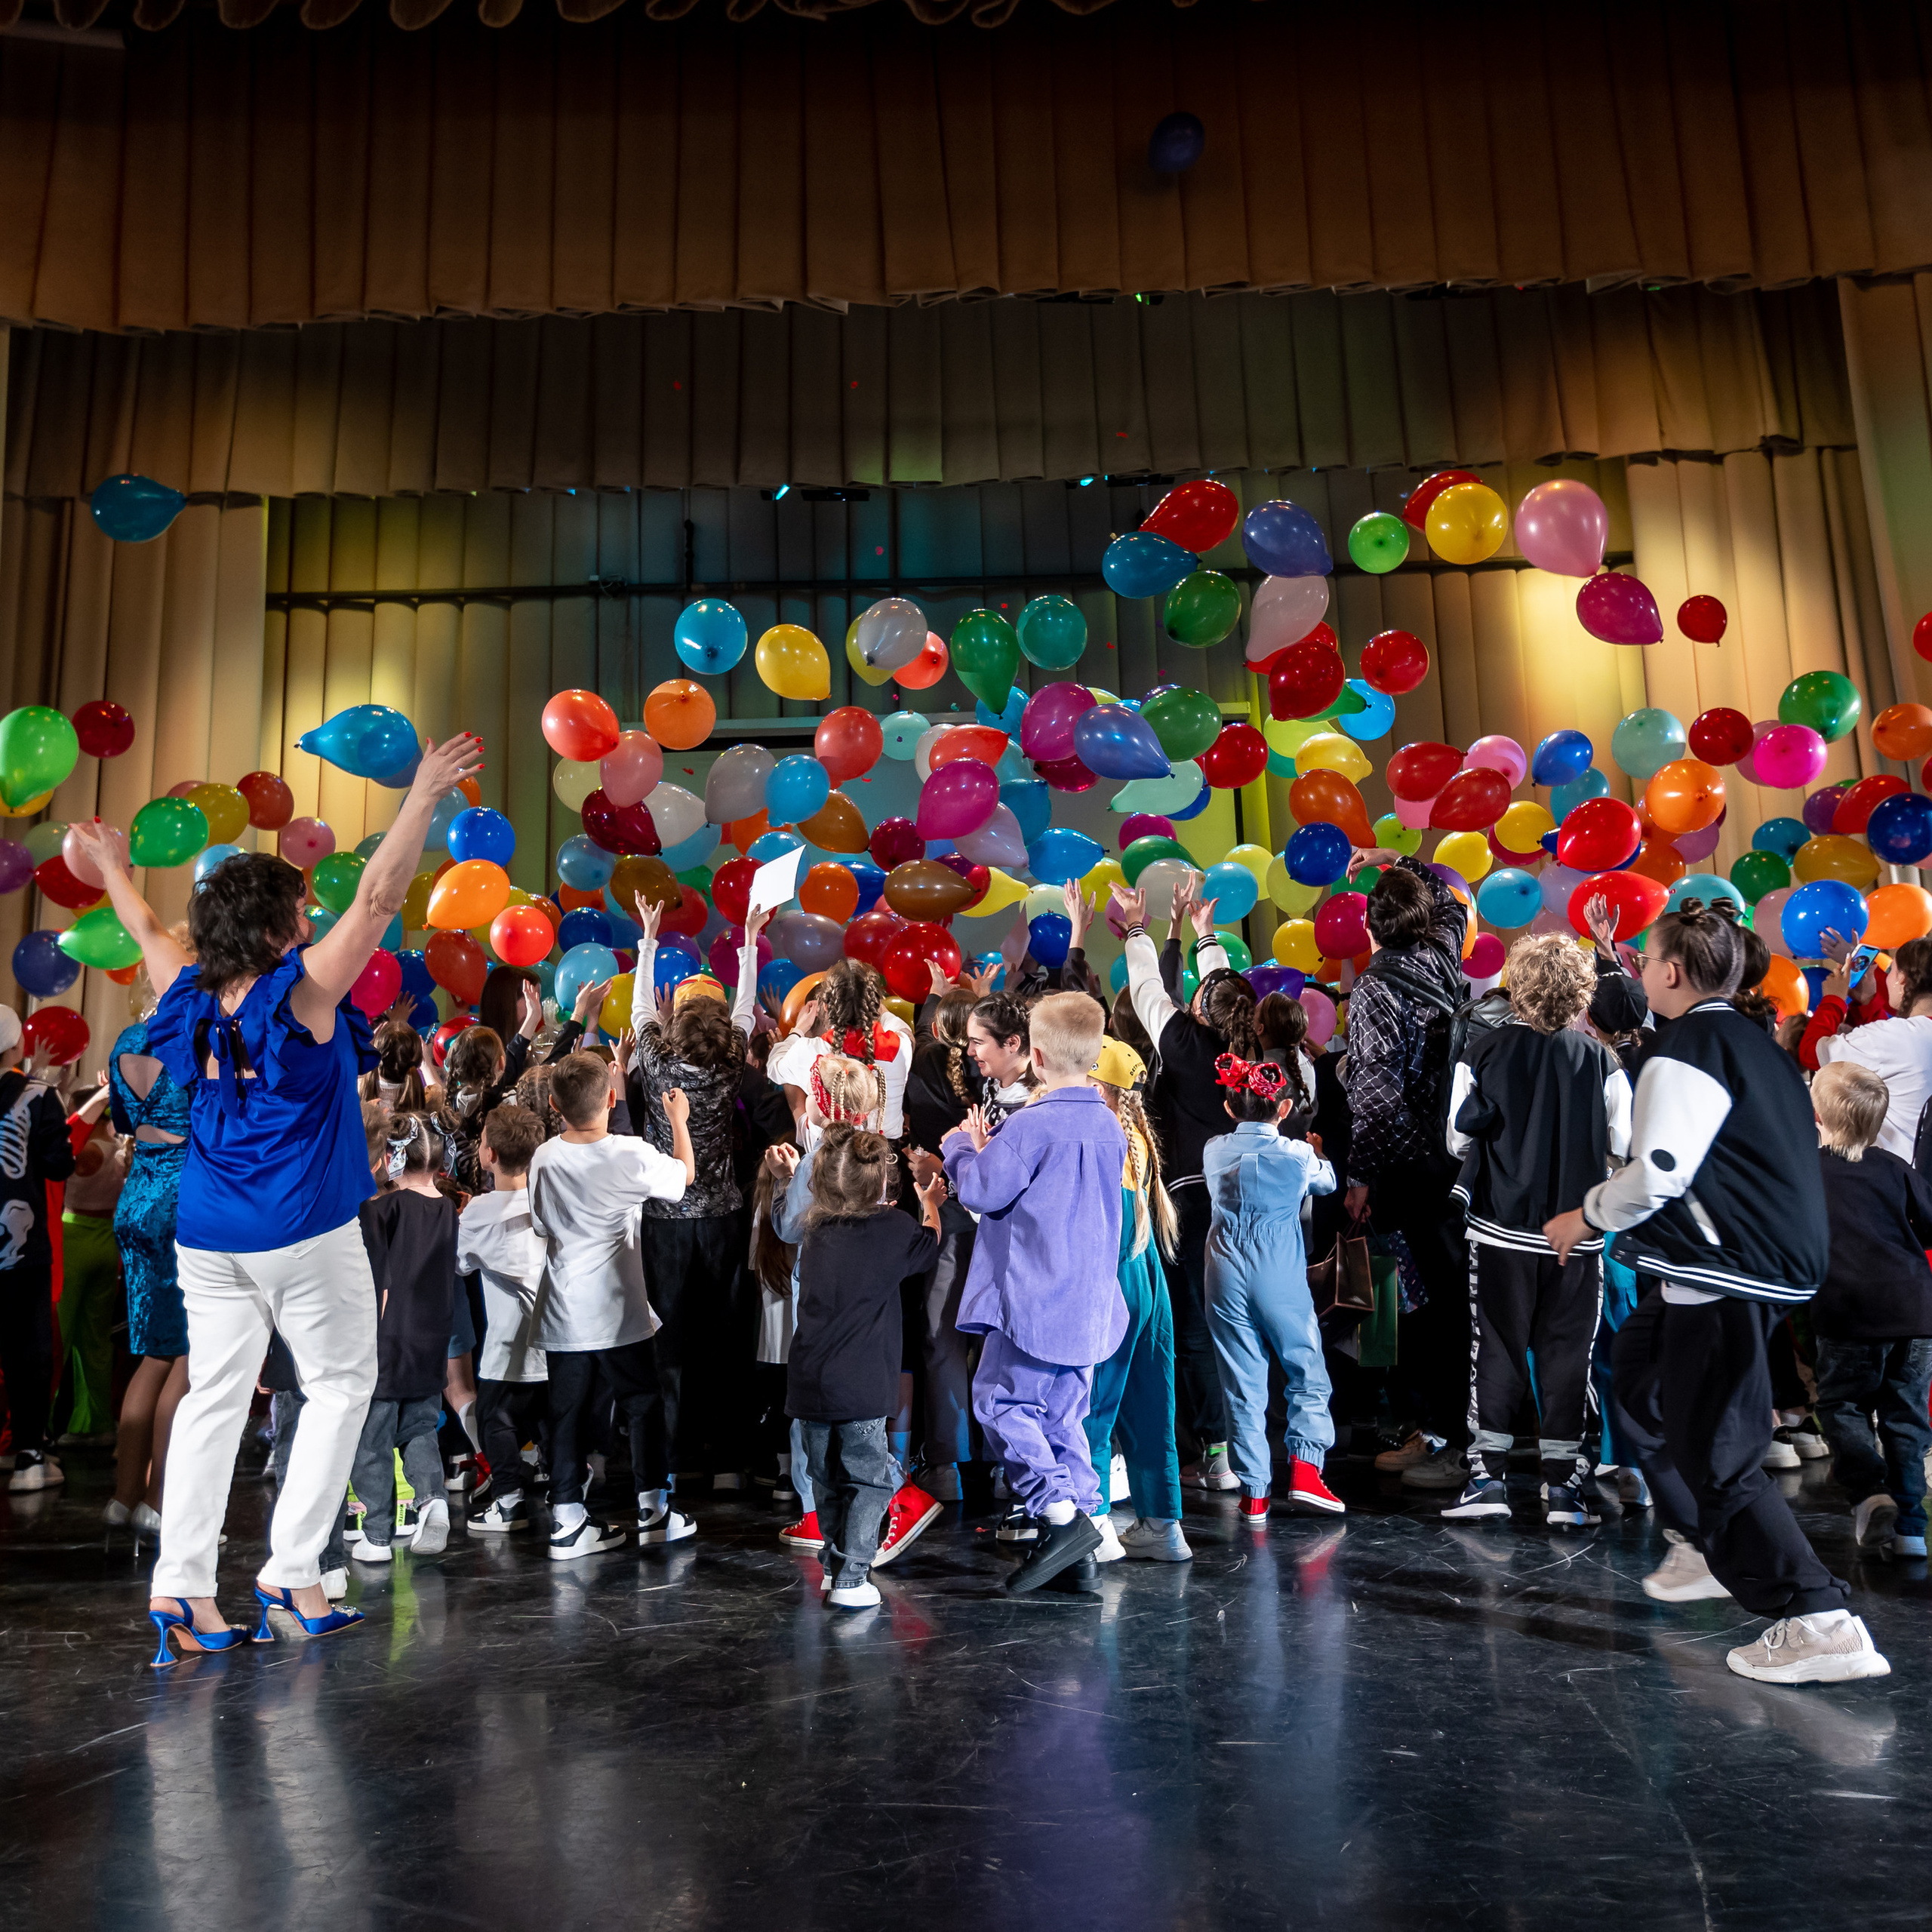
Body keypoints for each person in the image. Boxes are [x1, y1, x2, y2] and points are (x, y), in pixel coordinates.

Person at [70, 729, 483, 1657]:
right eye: (299, 907)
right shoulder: (302, 995)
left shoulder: (185, 992)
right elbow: (378, 898)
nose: (310, 916)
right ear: (271, 928)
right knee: (342, 1383)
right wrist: (422, 792)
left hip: (208, 1232)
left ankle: (183, 1590)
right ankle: (293, 1572)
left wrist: (111, 866)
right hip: (302, 1228)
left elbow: (146, 930)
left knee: (213, 1399)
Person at [1549, 900, 1889, 1685]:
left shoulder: (1690, 1046)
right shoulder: (1750, 1041)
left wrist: (1585, 1214)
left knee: (1720, 1456)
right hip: (1733, 1266)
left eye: (1644, 960)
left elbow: (1660, 1171)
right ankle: (1704, 1541)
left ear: (1670, 972)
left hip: (1725, 1269)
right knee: (1638, 1383)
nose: (1639, 971)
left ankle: (1820, 1619)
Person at [1441, 934, 1632, 1527]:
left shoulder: (1483, 1051)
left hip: (1499, 1229)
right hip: (1578, 1235)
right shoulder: (1601, 1060)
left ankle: (1488, 1481)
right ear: (1582, 994)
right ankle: (1564, 1491)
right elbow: (1625, 1146)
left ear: (1516, 988)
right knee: (1568, 1356)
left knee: (1495, 1350)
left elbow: (1457, 1140)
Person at [943, 991, 1128, 1595]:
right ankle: (1084, 1532)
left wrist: (960, 1148)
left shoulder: (1031, 1126)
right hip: (1089, 1303)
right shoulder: (1108, 1124)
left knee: (1001, 1403)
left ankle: (1058, 1514)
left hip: (1035, 1301)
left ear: (1038, 1056)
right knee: (1063, 1418)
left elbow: (980, 1192)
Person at [1112, 871, 1262, 1494]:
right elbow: (1227, 995)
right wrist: (1205, 935)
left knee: (1195, 1327)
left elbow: (1147, 985)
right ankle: (1248, 1448)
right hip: (1248, 1200)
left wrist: (1139, 925)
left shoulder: (1180, 1043)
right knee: (1241, 1322)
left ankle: (1217, 1450)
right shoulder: (1251, 1053)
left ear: (1198, 1008)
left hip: (1192, 1203)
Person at [1338, 850, 1472, 1494]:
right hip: (1456, 1158)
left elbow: (1376, 1094)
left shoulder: (1375, 988)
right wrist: (1397, 859)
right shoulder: (1441, 956)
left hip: (1406, 1169)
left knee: (1416, 1308)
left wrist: (1361, 1176)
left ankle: (1441, 1435)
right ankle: (1449, 1429)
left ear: (1369, 926)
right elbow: (1451, 903)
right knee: (1452, 1301)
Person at [527, 1050, 694, 1559]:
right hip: (620, 1310)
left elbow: (541, 1224)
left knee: (566, 1413)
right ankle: (653, 1510)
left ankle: (567, 1519)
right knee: (643, 1403)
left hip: (564, 1308)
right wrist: (678, 1120)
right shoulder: (630, 1153)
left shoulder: (544, 1158)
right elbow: (684, 1177)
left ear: (554, 1105)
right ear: (611, 1099)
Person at [628, 894, 764, 1488]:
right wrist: (750, 941)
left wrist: (649, 939)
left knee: (670, 1341)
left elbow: (640, 1008)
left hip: (665, 1220)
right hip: (722, 1219)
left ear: (673, 1030)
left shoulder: (657, 1065)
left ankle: (671, 1462)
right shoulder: (732, 1062)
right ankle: (728, 1460)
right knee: (724, 1338)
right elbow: (747, 1008)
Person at [786, 1124, 943, 1608]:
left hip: (809, 1383)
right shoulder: (894, 1228)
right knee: (868, 1480)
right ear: (879, 1184)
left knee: (827, 1478)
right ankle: (853, 1577)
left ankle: (835, 1569)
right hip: (861, 1384)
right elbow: (929, 1243)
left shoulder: (814, 1231)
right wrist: (930, 1203)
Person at [1201, 1050, 1343, 1524]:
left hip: (1224, 1271)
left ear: (1229, 1106)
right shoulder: (1298, 1155)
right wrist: (1318, 1151)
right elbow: (1328, 1182)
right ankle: (1305, 1471)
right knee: (1305, 1368)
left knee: (1241, 1381)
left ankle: (1254, 1493)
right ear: (1284, 1108)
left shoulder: (1214, 1149)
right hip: (1278, 1269)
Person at [1806, 1060, 1932, 1560]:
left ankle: (1869, 1492)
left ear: (1818, 1115)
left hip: (1847, 1311)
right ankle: (1912, 1530)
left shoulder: (1807, 1172)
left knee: (1842, 1406)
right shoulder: (1895, 1168)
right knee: (1906, 1418)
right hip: (1914, 1310)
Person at [1081, 1038, 1189, 1560]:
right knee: (1152, 1403)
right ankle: (1163, 1525)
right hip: (1147, 1277)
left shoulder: (1098, 1135)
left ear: (1097, 1085)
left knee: (1094, 1404)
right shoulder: (1137, 1135)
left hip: (1113, 1278)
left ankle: (1095, 1523)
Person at [103, 951, 197, 1533]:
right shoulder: (190, 1040)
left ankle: (122, 1497)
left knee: (153, 1355)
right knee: (189, 1354)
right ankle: (160, 1502)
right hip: (182, 1197)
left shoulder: (126, 1041)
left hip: (137, 1194)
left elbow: (122, 1121)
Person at [346, 1112, 460, 1562]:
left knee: (373, 1438)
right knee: (420, 1425)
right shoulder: (448, 1209)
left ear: (392, 1158)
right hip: (432, 1338)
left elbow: (378, 1281)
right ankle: (432, 1498)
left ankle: (376, 1535)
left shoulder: (381, 1210)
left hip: (387, 1340)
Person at [458, 1103, 549, 1534]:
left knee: (495, 1418)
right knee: (550, 1417)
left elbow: (459, 1263)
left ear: (489, 1154)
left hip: (506, 1344)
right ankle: (568, 1485)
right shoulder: (549, 1202)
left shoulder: (480, 1211)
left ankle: (509, 1501)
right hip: (552, 1337)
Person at [0, 1014, 78, 1492]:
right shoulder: (37, 1095)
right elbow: (58, 1165)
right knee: (27, 1351)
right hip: (18, 1251)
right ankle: (29, 1454)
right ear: (16, 1044)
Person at [1807, 934, 1932, 1160]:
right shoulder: (1902, 1036)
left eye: (1890, 970)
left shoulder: (1896, 1037)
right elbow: (1888, 1057)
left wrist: (1833, 1000)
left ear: (1902, 980)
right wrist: (1867, 1002)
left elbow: (1811, 1052)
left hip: (1904, 1173)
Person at [53, 1073, 125, 1447]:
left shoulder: (85, 1152)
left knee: (58, 1336)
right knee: (95, 1340)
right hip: (107, 1240)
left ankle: (39, 1427)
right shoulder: (121, 1149)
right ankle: (95, 1423)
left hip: (74, 1240)